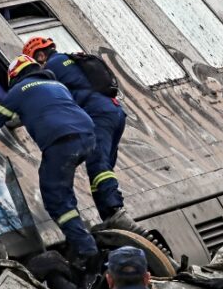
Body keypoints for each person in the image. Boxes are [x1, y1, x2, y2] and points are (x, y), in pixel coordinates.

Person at [0, 54, 101, 265]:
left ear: (15, 76)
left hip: (61, 141)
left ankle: (87, 251)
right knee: (62, 190)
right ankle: (81, 235)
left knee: (55, 198)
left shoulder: (19, 91)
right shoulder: (57, 85)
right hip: (88, 136)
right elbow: (48, 108)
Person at [22, 37, 144, 234]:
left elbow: (38, 92)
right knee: (102, 168)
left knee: (98, 165)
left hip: (97, 114)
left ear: (41, 55)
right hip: (115, 112)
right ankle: (109, 215)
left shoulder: (53, 65)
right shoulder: (72, 60)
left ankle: (115, 211)